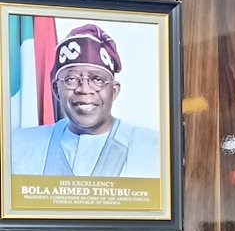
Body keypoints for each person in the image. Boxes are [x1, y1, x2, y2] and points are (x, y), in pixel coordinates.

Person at [10, 23, 160, 178]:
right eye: (71, 79)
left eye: (97, 79)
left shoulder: (156, 148)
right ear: (56, 90)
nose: (84, 89)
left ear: (114, 91)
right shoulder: (17, 146)